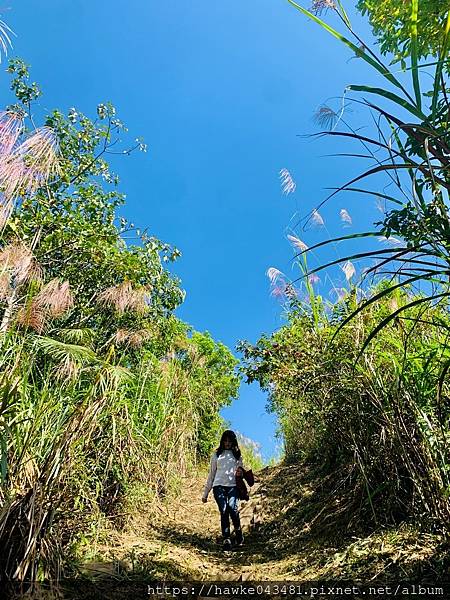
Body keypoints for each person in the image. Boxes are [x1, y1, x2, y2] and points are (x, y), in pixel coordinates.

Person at [202, 430, 245, 550]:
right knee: (224, 509)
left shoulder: (237, 456)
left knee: (233, 508)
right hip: (218, 486)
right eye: (225, 440)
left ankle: (238, 531)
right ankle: (226, 538)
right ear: (222, 441)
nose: (227, 443)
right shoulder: (216, 455)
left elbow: (240, 473)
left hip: (233, 486)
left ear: (233, 441)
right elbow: (212, 474)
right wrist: (205, 493)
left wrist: (240, 472)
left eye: (229, 441)